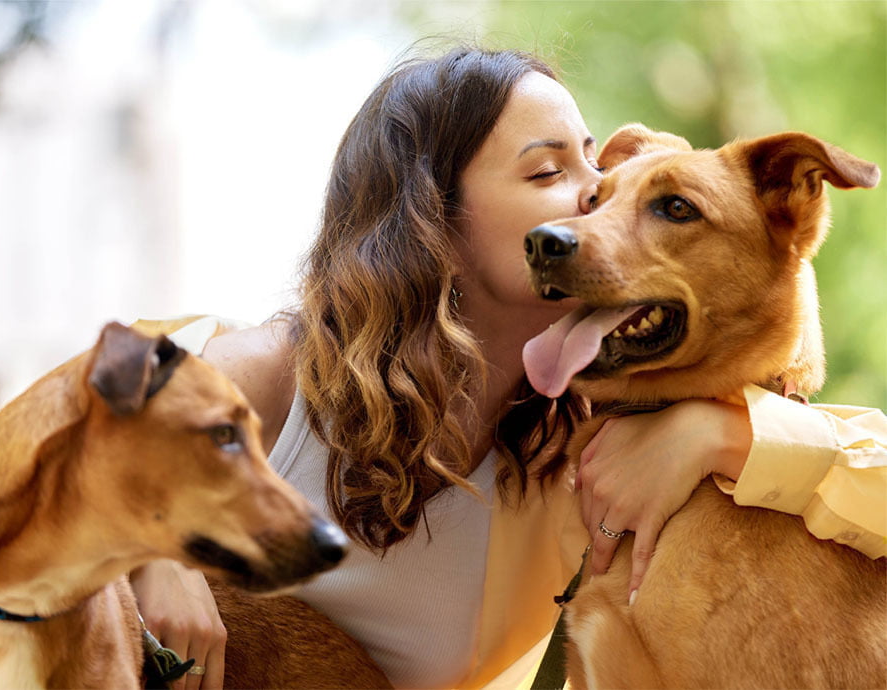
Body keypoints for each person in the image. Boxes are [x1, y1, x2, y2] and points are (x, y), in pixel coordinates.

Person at [128, 46, 887, 690]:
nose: (593, 196)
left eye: (594, 165)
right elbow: (31, 460)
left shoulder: (577, 450)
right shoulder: (270, 376)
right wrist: (147, 546)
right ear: (433, 218)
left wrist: (723, 438)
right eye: (547, 171)